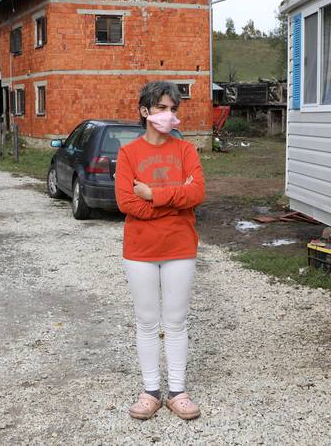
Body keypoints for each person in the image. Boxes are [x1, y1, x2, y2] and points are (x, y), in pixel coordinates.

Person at [114, 81, 206, 421]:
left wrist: (153, 194)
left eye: (173, 109)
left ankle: (177, 391)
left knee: (177, 321)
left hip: (180, 246)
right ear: (145, 111)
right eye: (163, 108)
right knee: (147, 322)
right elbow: (125, 201)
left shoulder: (186, 151)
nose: (169, 115)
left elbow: (196, 194)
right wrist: (174, 199)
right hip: (139, 249)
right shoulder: (128, 154)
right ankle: (151, 391)